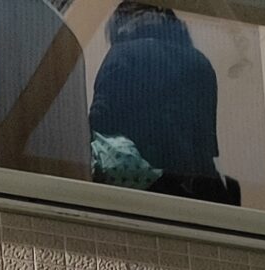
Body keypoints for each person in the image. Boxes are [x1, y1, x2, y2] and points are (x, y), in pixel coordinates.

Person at [89, 5, 236, 203]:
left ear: (121, 27)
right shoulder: (201, 63)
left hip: (144, 182)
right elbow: (207, 141)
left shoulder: (123, 53)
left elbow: (100, 119)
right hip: (197, 188)